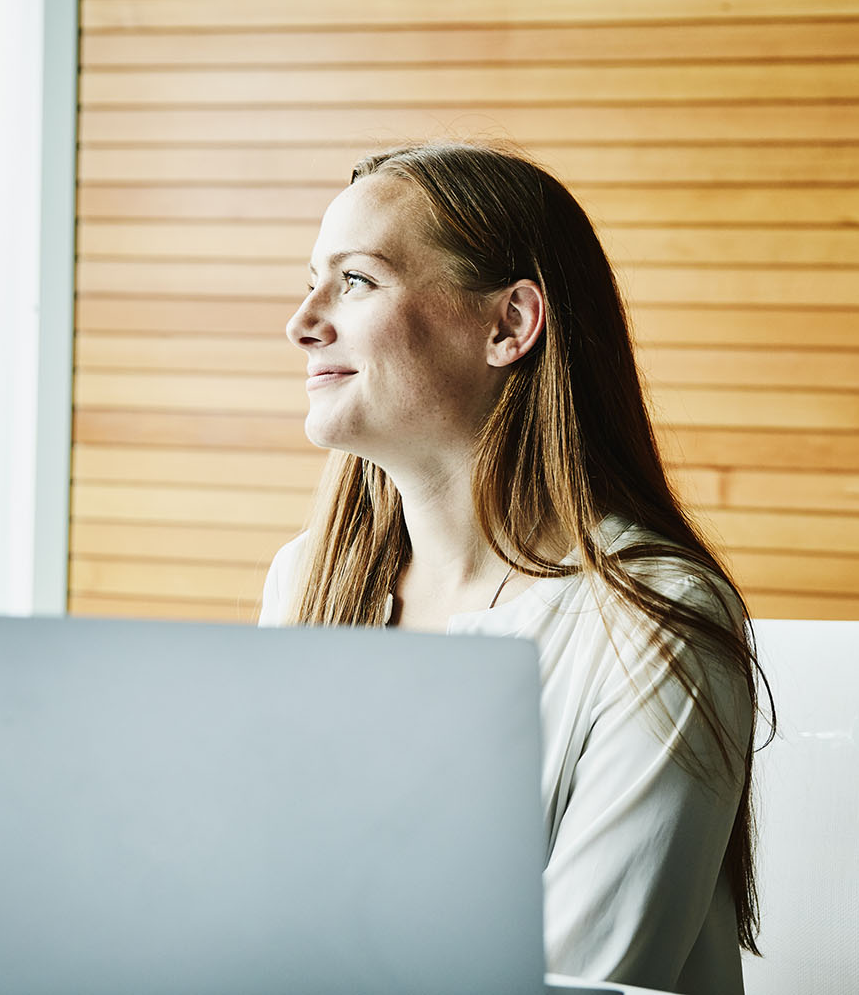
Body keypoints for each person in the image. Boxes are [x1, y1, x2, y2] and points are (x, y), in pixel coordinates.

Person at [259, 141, 762, 994]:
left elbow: (577, 981)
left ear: (509, 325)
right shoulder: (307, 579)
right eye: (310, 280)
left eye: (355, 282)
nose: (302, 322)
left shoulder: (659, 624)